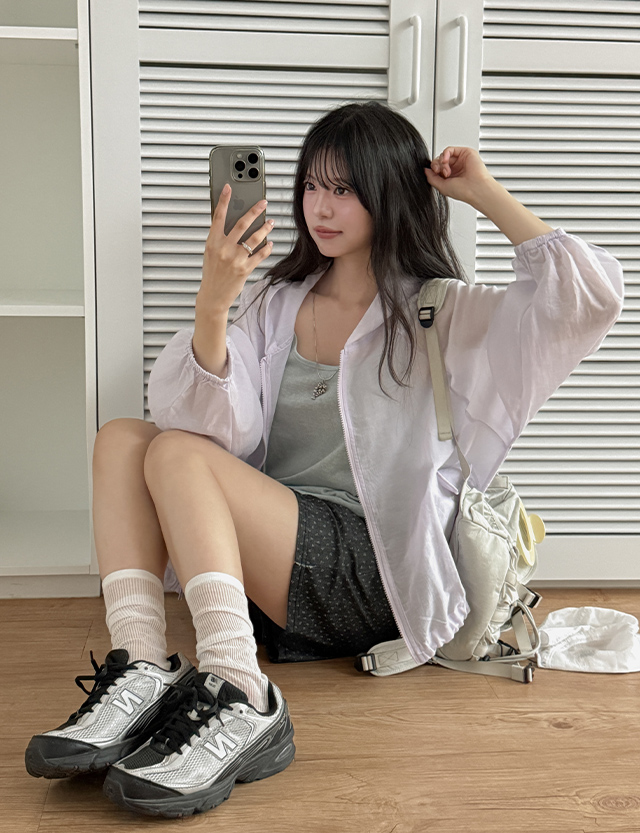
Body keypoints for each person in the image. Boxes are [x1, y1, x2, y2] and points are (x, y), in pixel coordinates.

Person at [25, 101, 625, 817]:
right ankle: (143, 665)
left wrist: (484, 192)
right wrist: (214, 305)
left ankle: (240, 689)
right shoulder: (279, 301)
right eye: (312, 184)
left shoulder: (442, 311)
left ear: (387, 193)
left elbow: (587, 301)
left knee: (175, 453)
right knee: (125, 437)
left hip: (377, 570)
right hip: (280, 558)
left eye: (344, 189)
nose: (321, 206)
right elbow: (206, 425)